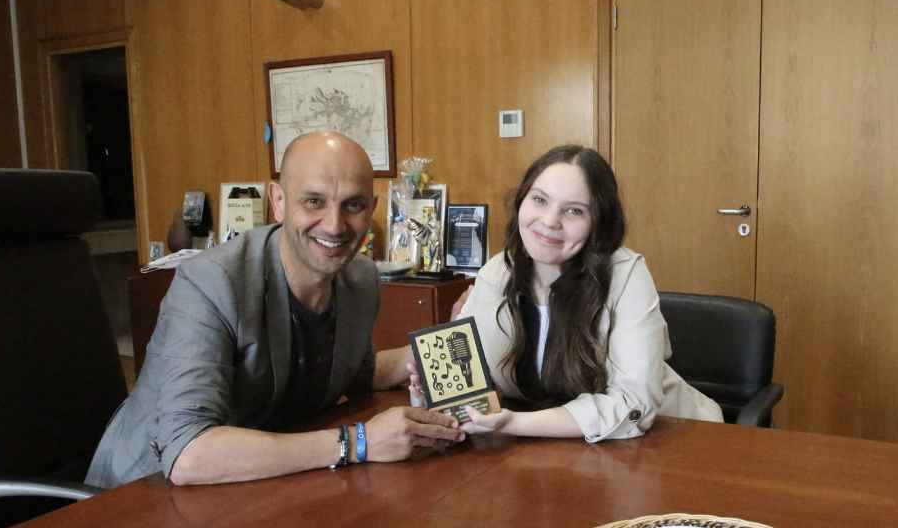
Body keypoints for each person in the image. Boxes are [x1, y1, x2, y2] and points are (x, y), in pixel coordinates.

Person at [87, 132, 464, 488]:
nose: (335, 225)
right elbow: (188, 453)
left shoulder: (359, 278)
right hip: (143, 491)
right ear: (278, 201)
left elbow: (356, 374)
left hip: (260, 483)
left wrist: (451, 338)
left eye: (353, 205)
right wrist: (359, 442)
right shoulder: (211, 281)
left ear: (372, 209)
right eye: (314, 201)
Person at [413, 145, 721, 442]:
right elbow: (475, 383)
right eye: (539, 200)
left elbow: (633, 405)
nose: (549, 221)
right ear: (521, 201)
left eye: (574, 211)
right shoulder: (497, 271)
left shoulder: (627, 275)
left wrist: (514, 423)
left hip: (675, 438)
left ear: (598, 223)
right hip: (555, 448)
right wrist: (437, 394)